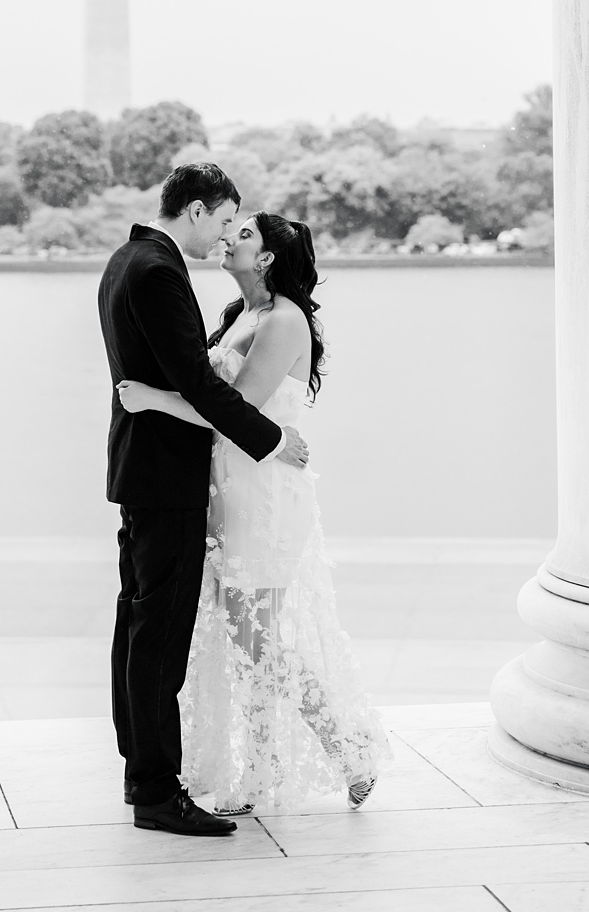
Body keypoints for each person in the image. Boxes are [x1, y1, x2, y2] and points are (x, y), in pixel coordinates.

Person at [118, 210, 388, 812]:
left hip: (265, 495)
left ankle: (347, 751)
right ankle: (265, 769)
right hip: (229, 489)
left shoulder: (285, 321)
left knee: (255, 636)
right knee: (248, 639)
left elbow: (233, 412)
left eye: (242, 235)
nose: (226, 239)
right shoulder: (243, 314)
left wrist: (154, 400)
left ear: (266, 258)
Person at [98, 161, 309, 838]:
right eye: (221, 220)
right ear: (194, 210)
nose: (221, 237)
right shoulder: (159, 271)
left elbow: (189, 384)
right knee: (156, 636)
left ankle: (145, 772)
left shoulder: (128, 258)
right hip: (167, 480)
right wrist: (272, 441)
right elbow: (198, 383)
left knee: (138, 627)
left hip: (150, 476)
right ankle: (156, 791)